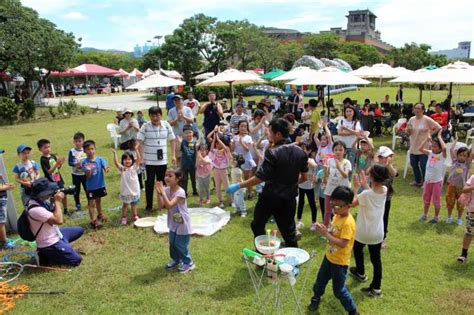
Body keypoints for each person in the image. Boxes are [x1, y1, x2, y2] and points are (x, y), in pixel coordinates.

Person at [227, 118, 309, 248]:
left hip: (270, 197)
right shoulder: (301, 152)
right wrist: (290, 183)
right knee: (288, 231)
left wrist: (239, 185)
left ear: (278, 134)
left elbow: (260, 177)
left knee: (257, 225)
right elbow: (304, 177)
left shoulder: (272, 152)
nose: (268, 134)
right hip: (289, 198)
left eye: (270, 132)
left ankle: (263, 252)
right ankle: (293, 260)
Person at [308, 186, 358, 315]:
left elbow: (343, 243)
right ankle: (316, 297)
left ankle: (353, 311)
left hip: (340, 263)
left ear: (348, 205)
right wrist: (325, 229)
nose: (334, 209)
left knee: (339, 290)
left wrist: (326, 234)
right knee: (320, 281)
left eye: (337, 206)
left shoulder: (348, 223)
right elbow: (333, 231)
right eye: (332, 204)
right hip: (329, 257)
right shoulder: (337, 216)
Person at [349, 165, 390, 298]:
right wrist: (366, 185)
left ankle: (360, 273)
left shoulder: (365, 194)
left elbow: (351, 203)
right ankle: (376, 288)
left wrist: (355, 188)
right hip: (377, 233)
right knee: (376, 260)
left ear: (372, 177)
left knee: (357, 250)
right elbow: (372, 195)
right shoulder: (384, 190)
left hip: (363, 232)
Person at [27, 177, 84, 266]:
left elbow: (50, 213)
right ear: (42, 194)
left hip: (56, 234)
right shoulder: (35, 209)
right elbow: (59, 220)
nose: (51, 192)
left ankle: (63, 247)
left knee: (79, 230)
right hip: (49, 243)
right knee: (76, 260)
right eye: (49, 191)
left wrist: (52, 202)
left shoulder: (41, 201)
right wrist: (57, 202)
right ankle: (45, 255)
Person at [137, 106, 176, 213]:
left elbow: (172, 140)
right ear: (149, 116)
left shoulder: (166, 125)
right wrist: (140, 158)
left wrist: (173, 155)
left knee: (163, 182)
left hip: (162, 161)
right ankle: (149, 206)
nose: (155, 118)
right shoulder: (145, 126)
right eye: (153, 115)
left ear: (161, 115)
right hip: (148, 161)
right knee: (149, 183)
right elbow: (139, 142)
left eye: (157, 115)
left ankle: (163, 203)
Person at [155, 168, 195, 273]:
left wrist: (163, 193)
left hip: (183, 223)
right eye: (166, 175)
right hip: (173, 221)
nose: (167, 178)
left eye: (170, 176)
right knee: (172, 243)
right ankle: (176, 260)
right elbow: (160, 206)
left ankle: (188, 262)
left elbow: (168, 205)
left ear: (177, 178)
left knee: (180, 244)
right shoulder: (167, 190)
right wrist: (159, 193)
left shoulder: (180, 192)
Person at [406, 103, 441, 187]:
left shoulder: (426, 119)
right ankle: (417, 181)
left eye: (418, 108)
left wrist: (430, 134)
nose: (416, 110)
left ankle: (426, 182)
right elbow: (409, 131)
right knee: (414, 164)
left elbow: (438, 127)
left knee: (423, 165)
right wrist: (407, 131)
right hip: (413, 145)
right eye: (415, 108)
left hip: (423, 146)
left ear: (422, 110)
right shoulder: (411, 119)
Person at [418, 132, 446, 223]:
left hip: (437, 182)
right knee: (426, 199)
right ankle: (425, 215)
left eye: (435, 146)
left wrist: (439, 136)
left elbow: (445, 148)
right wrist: (427, 139)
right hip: (427, 181)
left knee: (436, 200)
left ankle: (436, 217)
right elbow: (420, 148)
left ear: (440, 148)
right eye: (432, 146)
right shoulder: (430, 153)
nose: (433, 148)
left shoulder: (442, 155)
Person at [81, 140, 110, 229]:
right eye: (88, 149)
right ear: (85, 151)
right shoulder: (85, 162)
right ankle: (93, 221)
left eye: (92, 149)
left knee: (98, 200)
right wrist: (88, 171)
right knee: (91, 203)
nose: (90, 151)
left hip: (100, 185)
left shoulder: (100, 159)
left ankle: (100, 214)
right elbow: (88, 176)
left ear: (95, 149)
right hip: (91, 187)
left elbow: (106, 167)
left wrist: (106, 168)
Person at [446, 135, 473, 224]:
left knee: (461, 204)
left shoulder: (467, 164)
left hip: (462, 188)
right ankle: (449, 217)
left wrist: (473, 144)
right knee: (450, 202)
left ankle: (459, 218)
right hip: (452, 186)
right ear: (457, 155)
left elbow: (472, 154)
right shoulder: (454, 161)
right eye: (460, 155)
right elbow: (450, 150)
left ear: (467, 157)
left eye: (464, 155)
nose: (462, 157)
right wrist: (456, 140)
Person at [323, 141, 352, 227]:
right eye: (335, 150)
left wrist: (339, 168)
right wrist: (325, 170)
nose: (338, 152)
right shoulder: (329, 161)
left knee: (341, 210)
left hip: (341, 192)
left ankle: (342, 227)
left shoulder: (347, 162)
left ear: (344, 151)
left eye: (340, 150)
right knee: (328, 211)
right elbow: (326, 177)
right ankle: (325, 228)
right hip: (330, 190)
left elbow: (345, 175)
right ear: (333, 151)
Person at [37, 139, 68, 215]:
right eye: (45, 147)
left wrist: (60, 164)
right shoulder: (43, 159)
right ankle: (52, 210)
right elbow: (49, 171)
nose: (48, 149)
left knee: (64, 193)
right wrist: (56, 164)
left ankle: (66, 209)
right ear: (40, 149)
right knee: (53, 196)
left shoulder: (53, 156)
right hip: (50, 181)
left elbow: (57, 168)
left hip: (58, 178)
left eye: (49, 147)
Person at [374, 146, 397, 249]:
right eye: (383, 157)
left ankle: (383, 237)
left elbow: (394, 174)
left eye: (388, 157)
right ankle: (374, 236)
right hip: (375, 197)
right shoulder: (376, 167)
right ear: (379, 157)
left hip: (386, 198)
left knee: (384, 217)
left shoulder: (390, 167)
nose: (385, 159)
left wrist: (388, 165)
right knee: (375, 217)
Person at [112, 149, 140, 225]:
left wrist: (137, 150)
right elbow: (116, 163)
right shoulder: (122, 169)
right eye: (125, 159)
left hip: (134, 191)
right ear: (123, 161)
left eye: (129, 159)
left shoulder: (134, 167)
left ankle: (135, 215)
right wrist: (115, 154)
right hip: (125, 191)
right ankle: (124, 217)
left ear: (132, 160)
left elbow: (139, 160)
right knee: (125, 206)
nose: (127, 161)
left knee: (134, 205)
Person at [296, 142, 318, 236]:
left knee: (312, 204)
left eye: (304, 149)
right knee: (300, 203)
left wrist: (304, 156)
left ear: (309, 151)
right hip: (301, 186)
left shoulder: (310, 159)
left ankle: (314, 222)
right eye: (300, 149)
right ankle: (299, 220)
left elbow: (314, 166)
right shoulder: (298, 160)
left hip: (310, 187)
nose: (302, 150)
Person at [231, 121, 256, 199]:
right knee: (238, 176)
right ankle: (239, 194)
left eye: (245, 126)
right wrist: (232, 143)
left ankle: (250, 192)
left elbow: (248, 149)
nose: (243, 128)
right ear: (238, 127)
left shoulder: (248, 137)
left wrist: (241, 142)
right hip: (238, 158)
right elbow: (232, 150)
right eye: (241, 126)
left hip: (246, 158)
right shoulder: (235, 137)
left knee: (247, 178)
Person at [168, 95, 194, 164]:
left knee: (189, 154)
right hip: (177, 136)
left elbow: (192, 120)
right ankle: (180, 172)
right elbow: (170, 123)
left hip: (187, 136)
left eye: (178, 100)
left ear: (182, 100)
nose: (177, 102)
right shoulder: (171, 111)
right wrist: (177, 119)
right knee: (178, 155)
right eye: (175, 100)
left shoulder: (188, 109)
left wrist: (184, 116)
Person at [337, 106, 361, 180]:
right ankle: (340, 180)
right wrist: (352, 132)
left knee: (350, 165)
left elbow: (357, 133)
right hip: (342, 146)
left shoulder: (356, 122)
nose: (348, 113)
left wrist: (345, 129)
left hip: (352, 146)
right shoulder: (341, 121)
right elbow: (339, 133)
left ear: (353, 112)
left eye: (350, 111)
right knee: (341, 164)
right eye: (347, 111)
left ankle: (349, 181)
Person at [210, 131, 232, 208]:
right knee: (217, 187)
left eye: (219, 143)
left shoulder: (226, 150)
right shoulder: (215, 151)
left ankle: (231, 200)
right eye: (217, 143)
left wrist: (219, 139)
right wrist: (214, 140)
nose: (217, 144)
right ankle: (220, 201)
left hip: (223, 170)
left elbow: (225, 147)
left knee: (227, 186)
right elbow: (211, 149)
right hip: (216, 170)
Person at [68, 132, 87, 213]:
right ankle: (78, 204)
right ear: (74, 142)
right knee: (76, 190)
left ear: (83, 141)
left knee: (87, 189)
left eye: (80, 141)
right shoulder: (72, 151)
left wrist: (85, 165)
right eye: (76, 141)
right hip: (75, 175)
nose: (78, 143)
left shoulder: (86, 150)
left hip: (85, 174)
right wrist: (75, 164)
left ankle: (90, 201)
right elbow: (69, 162)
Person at [457, 175, 474, 263]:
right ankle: (464, 254)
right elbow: (463, 189)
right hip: (472, 211)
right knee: (469, 233)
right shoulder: (473, 177)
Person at [180, 125, 198, 197]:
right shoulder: (183, 142)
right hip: (185, 164)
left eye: (190, 132)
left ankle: (195, 191)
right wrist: (180, 142)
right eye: (186, 133)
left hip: (193, 164)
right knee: (185, 179)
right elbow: (183, 150)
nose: (188, 134)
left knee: (194, 179)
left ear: (193, 133)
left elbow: (197, 153)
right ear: (184, 134)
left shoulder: (195, 142)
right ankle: (185, 192)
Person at [0, 171, 15, 250]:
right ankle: (4, 243)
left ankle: (3, 239)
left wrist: (6, 185)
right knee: (1, 222)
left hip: (2, 198)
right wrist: (7, 187)